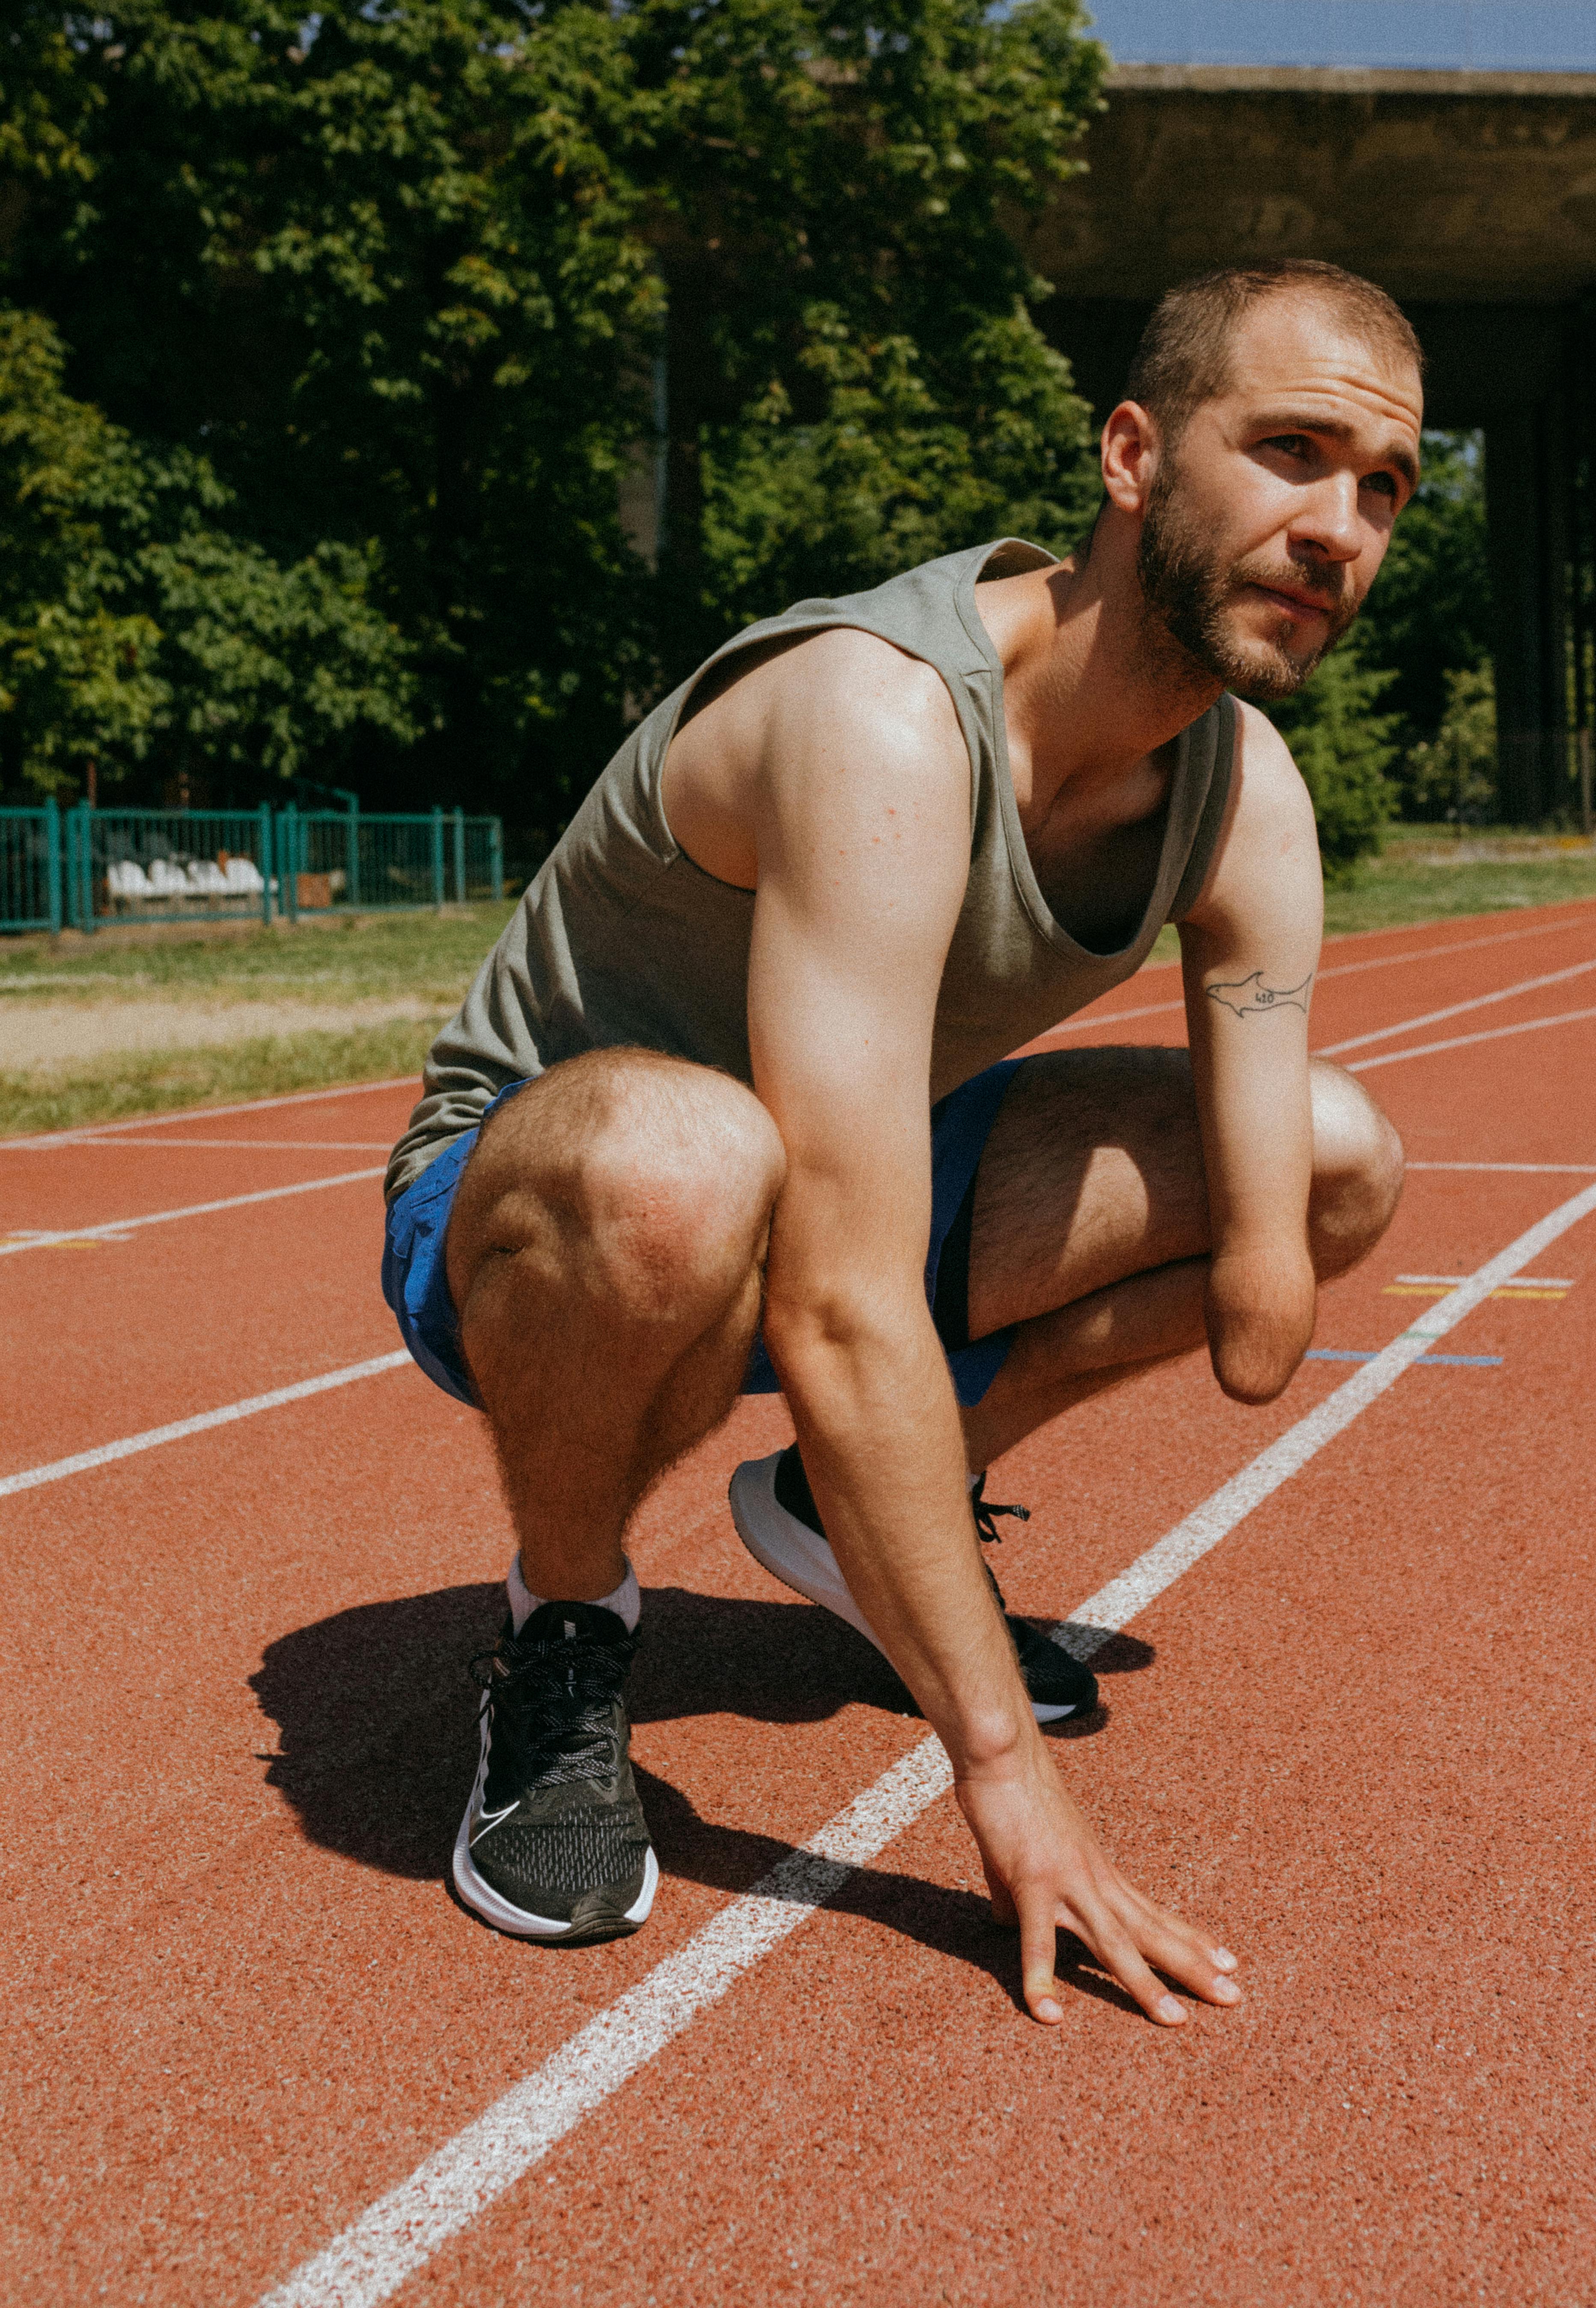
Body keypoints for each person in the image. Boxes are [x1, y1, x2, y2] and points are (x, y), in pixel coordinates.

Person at [381, 259, 1420, 2024]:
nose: (1337, 529)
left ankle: (825, 1512)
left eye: (1381, 487)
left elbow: (1261, 1321)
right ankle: (567, 1625)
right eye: (1290, 451)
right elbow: (843, 1302)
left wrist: (1267, 1250)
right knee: (684, 1167)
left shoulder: (1247, 803)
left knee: (1337, 1158)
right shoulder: (884, 713)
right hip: (548, 1203)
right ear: (1131, 457)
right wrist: (1001, 1770)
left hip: (842, 1164)